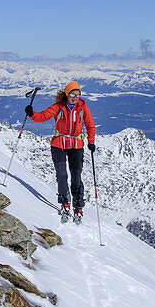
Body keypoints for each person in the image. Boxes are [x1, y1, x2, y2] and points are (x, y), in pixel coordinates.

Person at [26, 81, 97, 221]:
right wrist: (32, 114)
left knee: (76, 176)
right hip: (59, 144)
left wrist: (91, 141)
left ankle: (78, 204)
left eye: (78, 95)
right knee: (62, 174)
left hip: (76, 146)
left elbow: (90, 126)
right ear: (66, 94)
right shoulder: (59, 107)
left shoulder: (83, 109)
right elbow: (43, 116)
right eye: (72, 94)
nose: (75, 98)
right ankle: (64, 202)